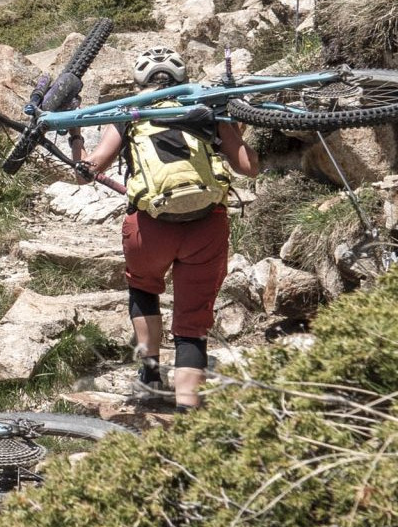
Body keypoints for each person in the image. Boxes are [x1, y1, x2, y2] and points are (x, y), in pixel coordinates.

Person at [69, 46, 259, 412]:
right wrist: (234, 126)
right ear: (181, 77)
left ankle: (151, 375)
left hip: (149, 229)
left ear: (140, 81)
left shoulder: (129, 114)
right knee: (192, 320)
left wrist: (77, 142)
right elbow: (248, 167)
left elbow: (89, 171)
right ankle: (189, 413)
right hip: (207, 226)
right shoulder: (206, 107)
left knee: (143, 288)